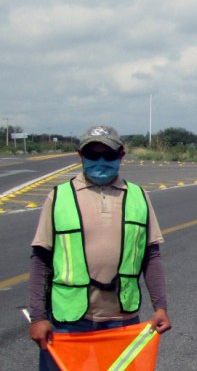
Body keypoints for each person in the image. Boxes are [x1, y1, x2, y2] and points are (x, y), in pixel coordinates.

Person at [27, 125, 171, 370]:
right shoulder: (59, 197)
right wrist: (38, 317)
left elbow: (151, 256)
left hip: (122, 318)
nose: (100, 161)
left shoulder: (138, 196)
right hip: (69, 319)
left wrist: (160, 307)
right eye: (92, 155)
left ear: (121, 155)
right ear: (80, 156)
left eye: (108, 155)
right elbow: (41, 259)